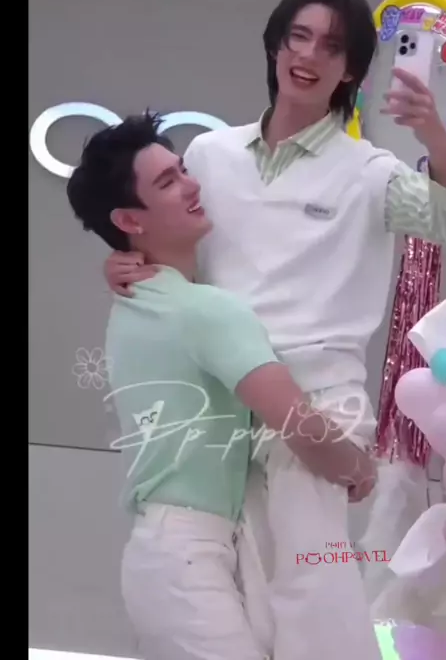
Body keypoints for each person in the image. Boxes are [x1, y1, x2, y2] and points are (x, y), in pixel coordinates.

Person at [104, 0, 446, 660]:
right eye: (299, 36)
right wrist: (121, 261)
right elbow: (163, 239)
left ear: (351, 71)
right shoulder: (210, 155)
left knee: (309, 586)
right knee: (234, 590)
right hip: (220, 402)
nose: (310, 55)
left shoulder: (370, 173)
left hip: (318, 400)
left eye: (333, 46)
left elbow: (445, 216)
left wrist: (433, 134)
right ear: (275, 45)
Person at [66, 112, 377, 660]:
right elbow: (297, 424)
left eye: (183, 170)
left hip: (185, 551)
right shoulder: (204, 310)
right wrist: (358, 466)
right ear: (129, 219)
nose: (192, 185)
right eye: (167, 182)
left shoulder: (138, 299)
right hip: (185, 557)